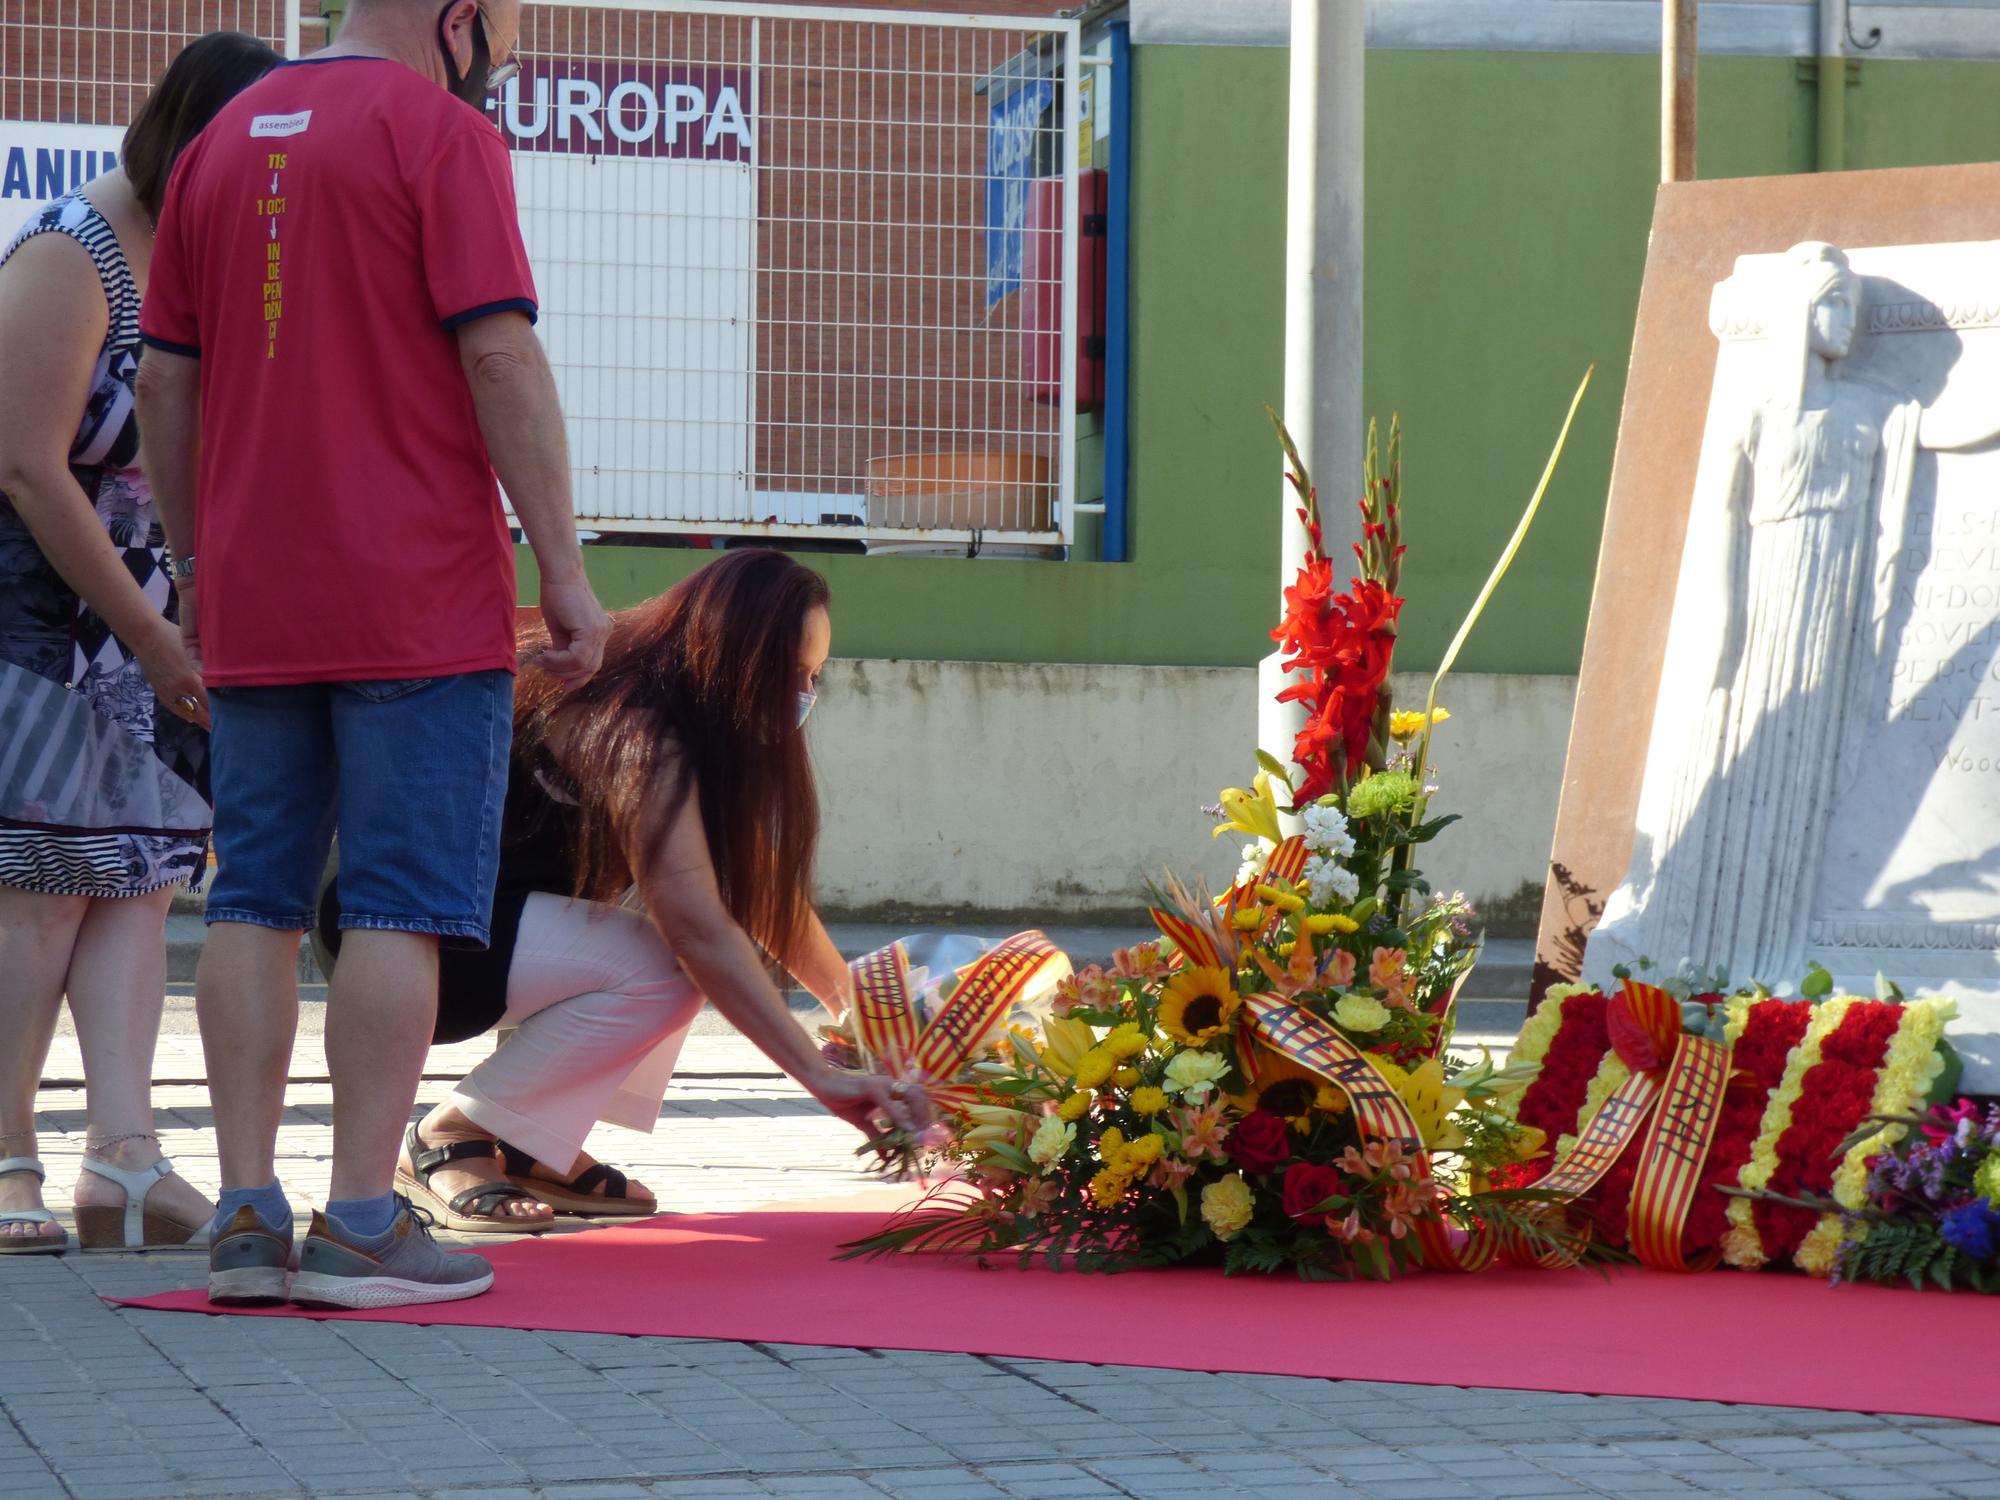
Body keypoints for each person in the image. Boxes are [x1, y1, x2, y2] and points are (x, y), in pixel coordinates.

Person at [136, 0, 612, 1309]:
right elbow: (500, 354)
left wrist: (192, 570)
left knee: (253, 898)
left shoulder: (223, 138)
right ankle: (358, 1222)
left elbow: (164, 382)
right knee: (399, 901)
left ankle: (243, 1216)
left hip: (257, 596)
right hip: (412, 596)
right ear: (457, 14)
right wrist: (565, 572)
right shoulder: (440, 134)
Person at [315, 549, 929, 1232]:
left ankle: (528, 1142)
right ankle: (456, 1136)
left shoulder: (687, 718)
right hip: (405, 936)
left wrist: (864, 1017)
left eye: (814, 677)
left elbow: (755, 898)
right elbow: (700, 930)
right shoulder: (630, 721)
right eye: (789, 675)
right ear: (731, 655)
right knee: (675, 957)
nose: (802, 696)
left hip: (478, 928)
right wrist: (821, 1076)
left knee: (684, 923)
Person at [0, 33, 282, 1257]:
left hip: (156, 629)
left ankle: (124, 1159)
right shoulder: (75, 250)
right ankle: (5, 1155)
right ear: (195, 141)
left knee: (137, 885)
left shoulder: (206, 255)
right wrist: (154, 636)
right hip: (44, 622)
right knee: (38, 897)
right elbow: (22, 463)